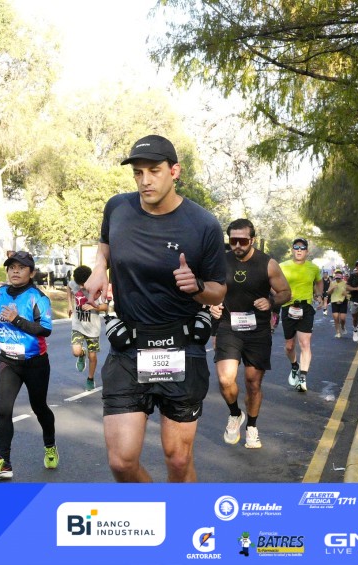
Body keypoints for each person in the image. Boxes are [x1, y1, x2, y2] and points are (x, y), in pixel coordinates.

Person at [85, 134, 227, 482]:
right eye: (138, 172)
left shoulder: (203, 224)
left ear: (174, 171)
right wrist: (100, 268)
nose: (145, 180)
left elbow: (218, 291)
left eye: (154, 171)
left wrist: (197, 288)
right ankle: (161, 511)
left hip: (181, 347)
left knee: (178, 460)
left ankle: (181, 516)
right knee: (121, 462)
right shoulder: (117, 208)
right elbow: (105, 245)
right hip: (129, 348)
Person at [210, 218, 291, 449]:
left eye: (242, 241)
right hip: (229, 327)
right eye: (233, 240)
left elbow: (286, 292)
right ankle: (235, 414)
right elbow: (210, 290)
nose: (237, 245)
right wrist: (212, 304)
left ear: (252, 240)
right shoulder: (220, 262)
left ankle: (252, 427)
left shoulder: (268, 264)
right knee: (225, 379)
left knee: (253, 383)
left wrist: (271, 301)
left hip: (258, 330)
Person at [0, 251, 58, 479]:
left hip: (35, 363)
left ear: (31, 273)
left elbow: (45, 329)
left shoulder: (38, 298)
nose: (15, 271)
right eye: (12, 267)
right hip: (8, 361)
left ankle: (50, 445)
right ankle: (4, 463)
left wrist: (16, 319)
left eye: (21, 268)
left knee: (39, 407)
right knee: (3, 411)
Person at [279, 237, 323, 392]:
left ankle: (303, 377)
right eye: (296, 247)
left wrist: (319, 295)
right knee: (289, 346)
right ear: (292, 250)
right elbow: (272, 282)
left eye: (302, 248)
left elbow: (319, 281)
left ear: (307, 251)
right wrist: (280, 294)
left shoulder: (313, 268)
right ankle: (294, 366)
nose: (299, 250)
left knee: (305, 343)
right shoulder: (282, 266)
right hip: (288, 307)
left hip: (306, 307)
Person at [66, 265, 108, 390]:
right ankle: (81, 354)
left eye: (83, 284)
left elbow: (105, 307)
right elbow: (69, 286)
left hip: (92, 329)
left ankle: (90, 378)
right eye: (79, 284)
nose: (81, 287)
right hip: (78, 325)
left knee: (92, 356)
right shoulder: (75, 284)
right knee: (76, 351)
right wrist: (69, 305)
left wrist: (94, 306)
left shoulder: (98, 289)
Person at [327, 269, 349, 338]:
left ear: (341, 277)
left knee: (342, 318)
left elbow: (349, 294)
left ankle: (342, 326)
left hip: (343, 301)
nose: (337, 279)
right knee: (336, 318)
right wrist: (332, 288)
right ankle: (338, 332)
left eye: (339, 278)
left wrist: (346, 294)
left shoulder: (345, 283)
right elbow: (328, 292)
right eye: (336, 278)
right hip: (334, 301)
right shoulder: (332, 283)